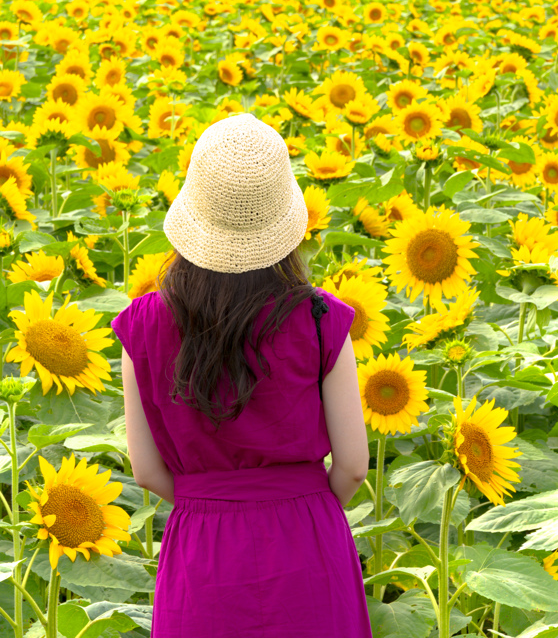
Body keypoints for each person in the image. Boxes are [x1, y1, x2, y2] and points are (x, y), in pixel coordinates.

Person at [112, 113, 371, 637]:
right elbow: (353, 467)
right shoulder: (322, 320)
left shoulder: (142, 326)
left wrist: (211, 502)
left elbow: (146, 472)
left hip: (201, 548)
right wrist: (300, 504)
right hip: (308, 539)